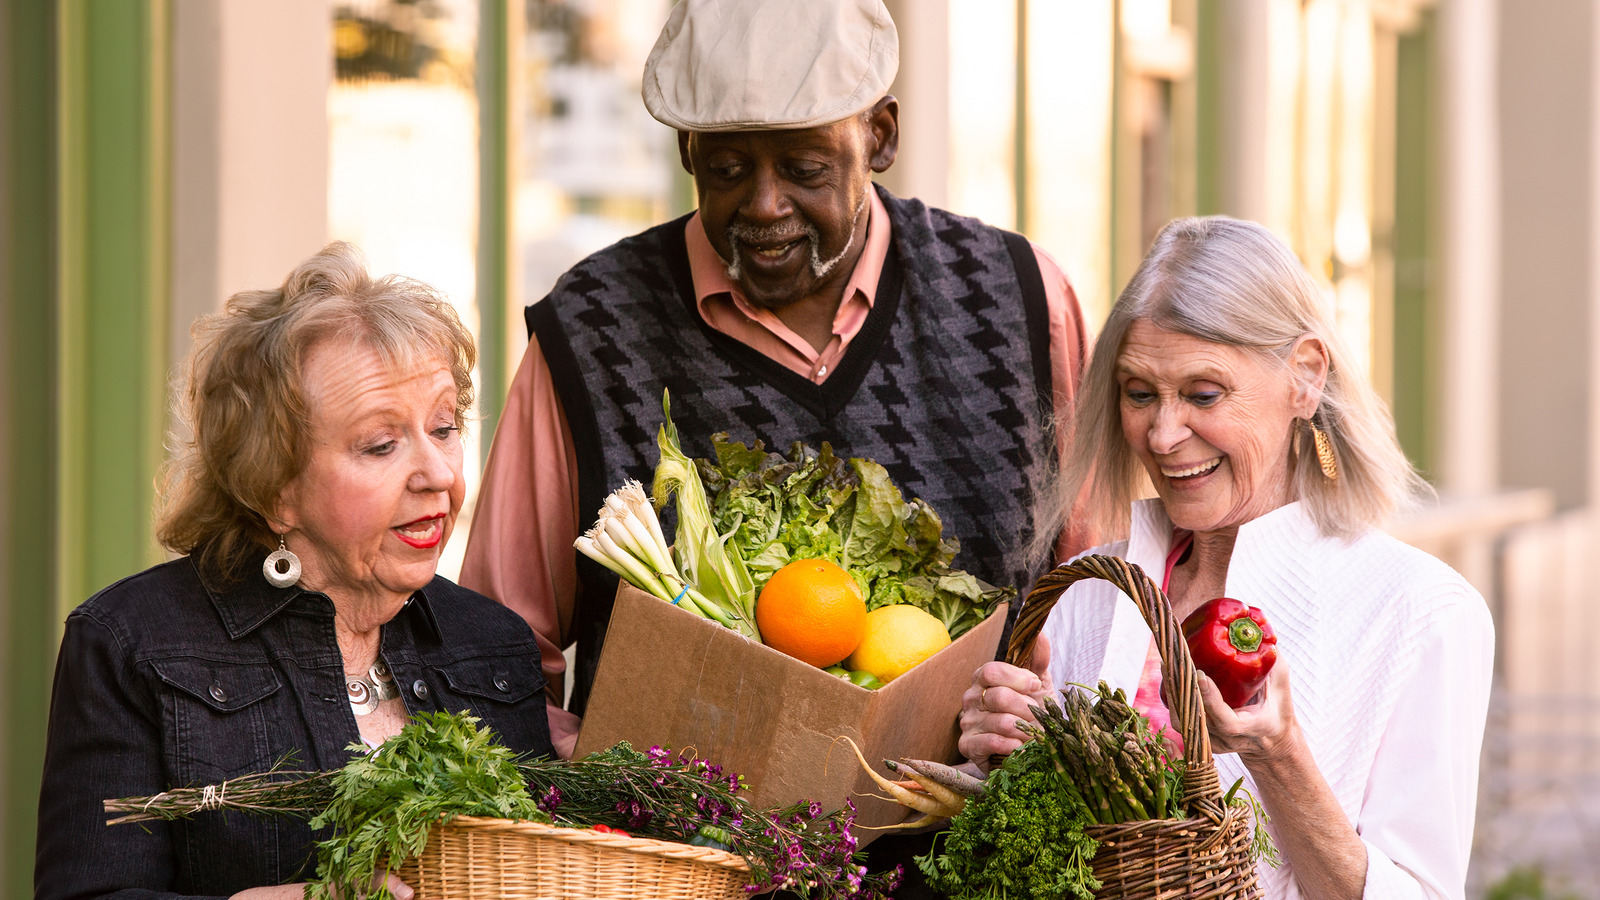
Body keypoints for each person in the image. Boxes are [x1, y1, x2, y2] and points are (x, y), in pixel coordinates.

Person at [461, 0, 1091, 762]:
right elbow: (493, 654)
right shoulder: (590, 329)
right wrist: (601, 769)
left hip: (977, 854)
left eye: (804, 168)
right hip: (680, 858)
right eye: (728, 169)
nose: (763, 204)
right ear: (689, 151)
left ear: (880, 136)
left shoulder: (1020, 299)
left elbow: (1096, 601)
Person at [959, 217, 1494, 899]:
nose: (1162, 432)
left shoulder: (1424, 612)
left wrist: (1279, 757)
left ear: (1303, 377)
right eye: (1140, 392)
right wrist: (992, 758)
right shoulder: (1089, 592)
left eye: (1203, 394)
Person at [35, 244, 555, 900]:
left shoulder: (495, 644)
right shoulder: (128, 646)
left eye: (445, 427)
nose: (440, 475)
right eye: (381, 444)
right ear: (272, 484)